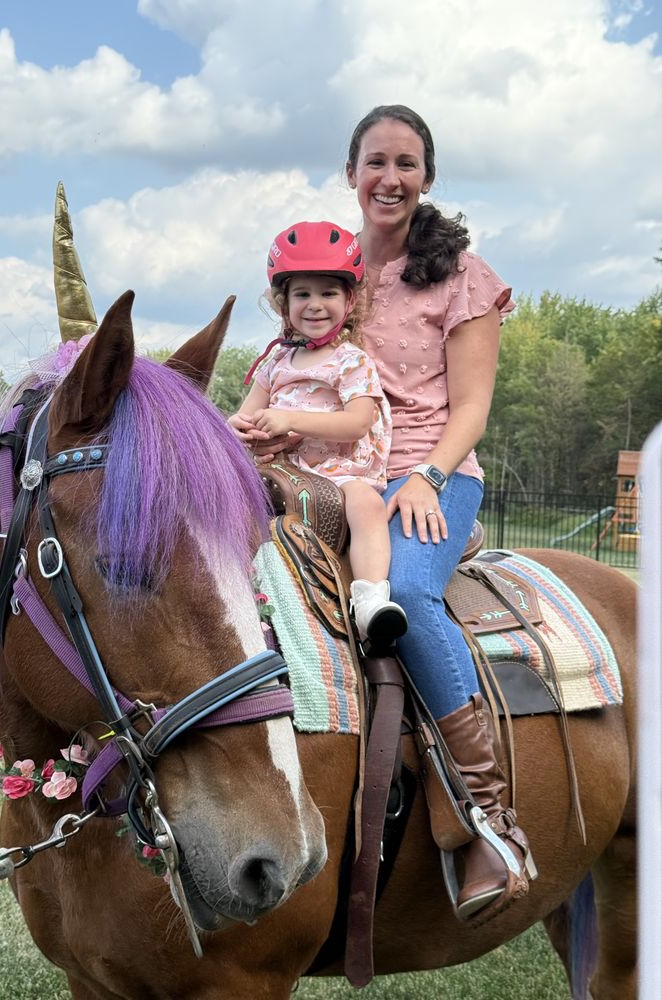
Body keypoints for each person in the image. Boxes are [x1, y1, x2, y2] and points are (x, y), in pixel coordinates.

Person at [252, 106, 534, 922]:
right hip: (331, 469)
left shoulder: (463, 279)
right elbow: (282, 381)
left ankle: (489, 819)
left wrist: (427, 476)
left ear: (427, 178)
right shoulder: (328, 275)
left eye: (407, 163)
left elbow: (473, 408)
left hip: (430, 471)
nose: (390, 177)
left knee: (405, 595)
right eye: (376, 161)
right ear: (351, 173)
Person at [229, 220, 407, 647]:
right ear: (282, 302)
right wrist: (234, 429)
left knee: (366, 504)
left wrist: (290, 420)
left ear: (349, 299)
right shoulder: (275, 363)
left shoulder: (351, 362)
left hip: (340, 472)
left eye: (328, 292)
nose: (314, 304)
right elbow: (247, 416)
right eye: (302, 294)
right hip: (285, 471)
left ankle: (369, 596)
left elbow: (357, 422)